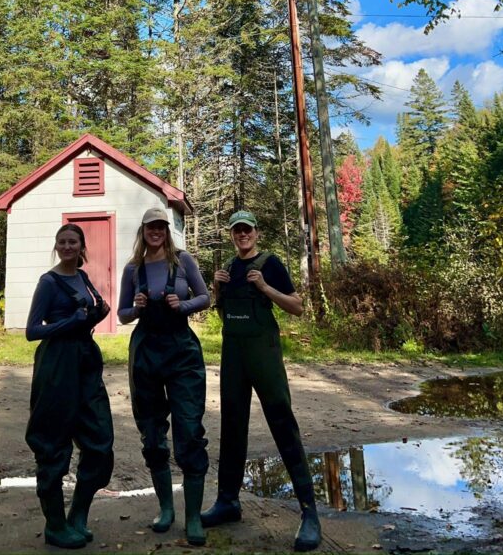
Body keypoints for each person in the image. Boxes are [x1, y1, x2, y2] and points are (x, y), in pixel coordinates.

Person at [201, 210, 322, 552]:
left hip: (264, 353)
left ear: (255, 233)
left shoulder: (270, 263)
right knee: (232, 425)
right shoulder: (228, 265)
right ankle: (228, 501)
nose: (242, 235)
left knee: (282, 422)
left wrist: (265, 287)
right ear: (232, 235)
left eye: (247, 230)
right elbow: (221, 310)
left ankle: (309, 513)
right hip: (234, 355)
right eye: (237, 231)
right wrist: (216, 288)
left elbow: (297, 307)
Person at [118, 209, 210, 547]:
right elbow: (122, 314)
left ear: (166, 231)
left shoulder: (183, 261)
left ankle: (194, 517)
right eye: (150, 227)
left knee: (189, 431)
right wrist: (137, 307)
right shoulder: (132, 269)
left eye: (161, 227)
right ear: (143, 231)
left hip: (182, 350)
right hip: (146, 351)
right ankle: (166, 509)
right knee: (153, 433)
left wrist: (183, 305)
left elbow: (205, 297)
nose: (156, 232)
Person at [26, 224, 114, 550]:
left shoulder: (83, 276)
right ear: (56, 245)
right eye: (62, 242)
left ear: (81, 246)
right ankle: (55, 525)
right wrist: (71, 322)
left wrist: (95, 315)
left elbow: (84, 316)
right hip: (56, 365)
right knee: (52, 442)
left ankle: (78, 514)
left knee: (100, 440)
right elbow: (33, 331)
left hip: (86, 363)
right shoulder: (48, 283)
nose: (67, 246)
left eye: (72, 241)